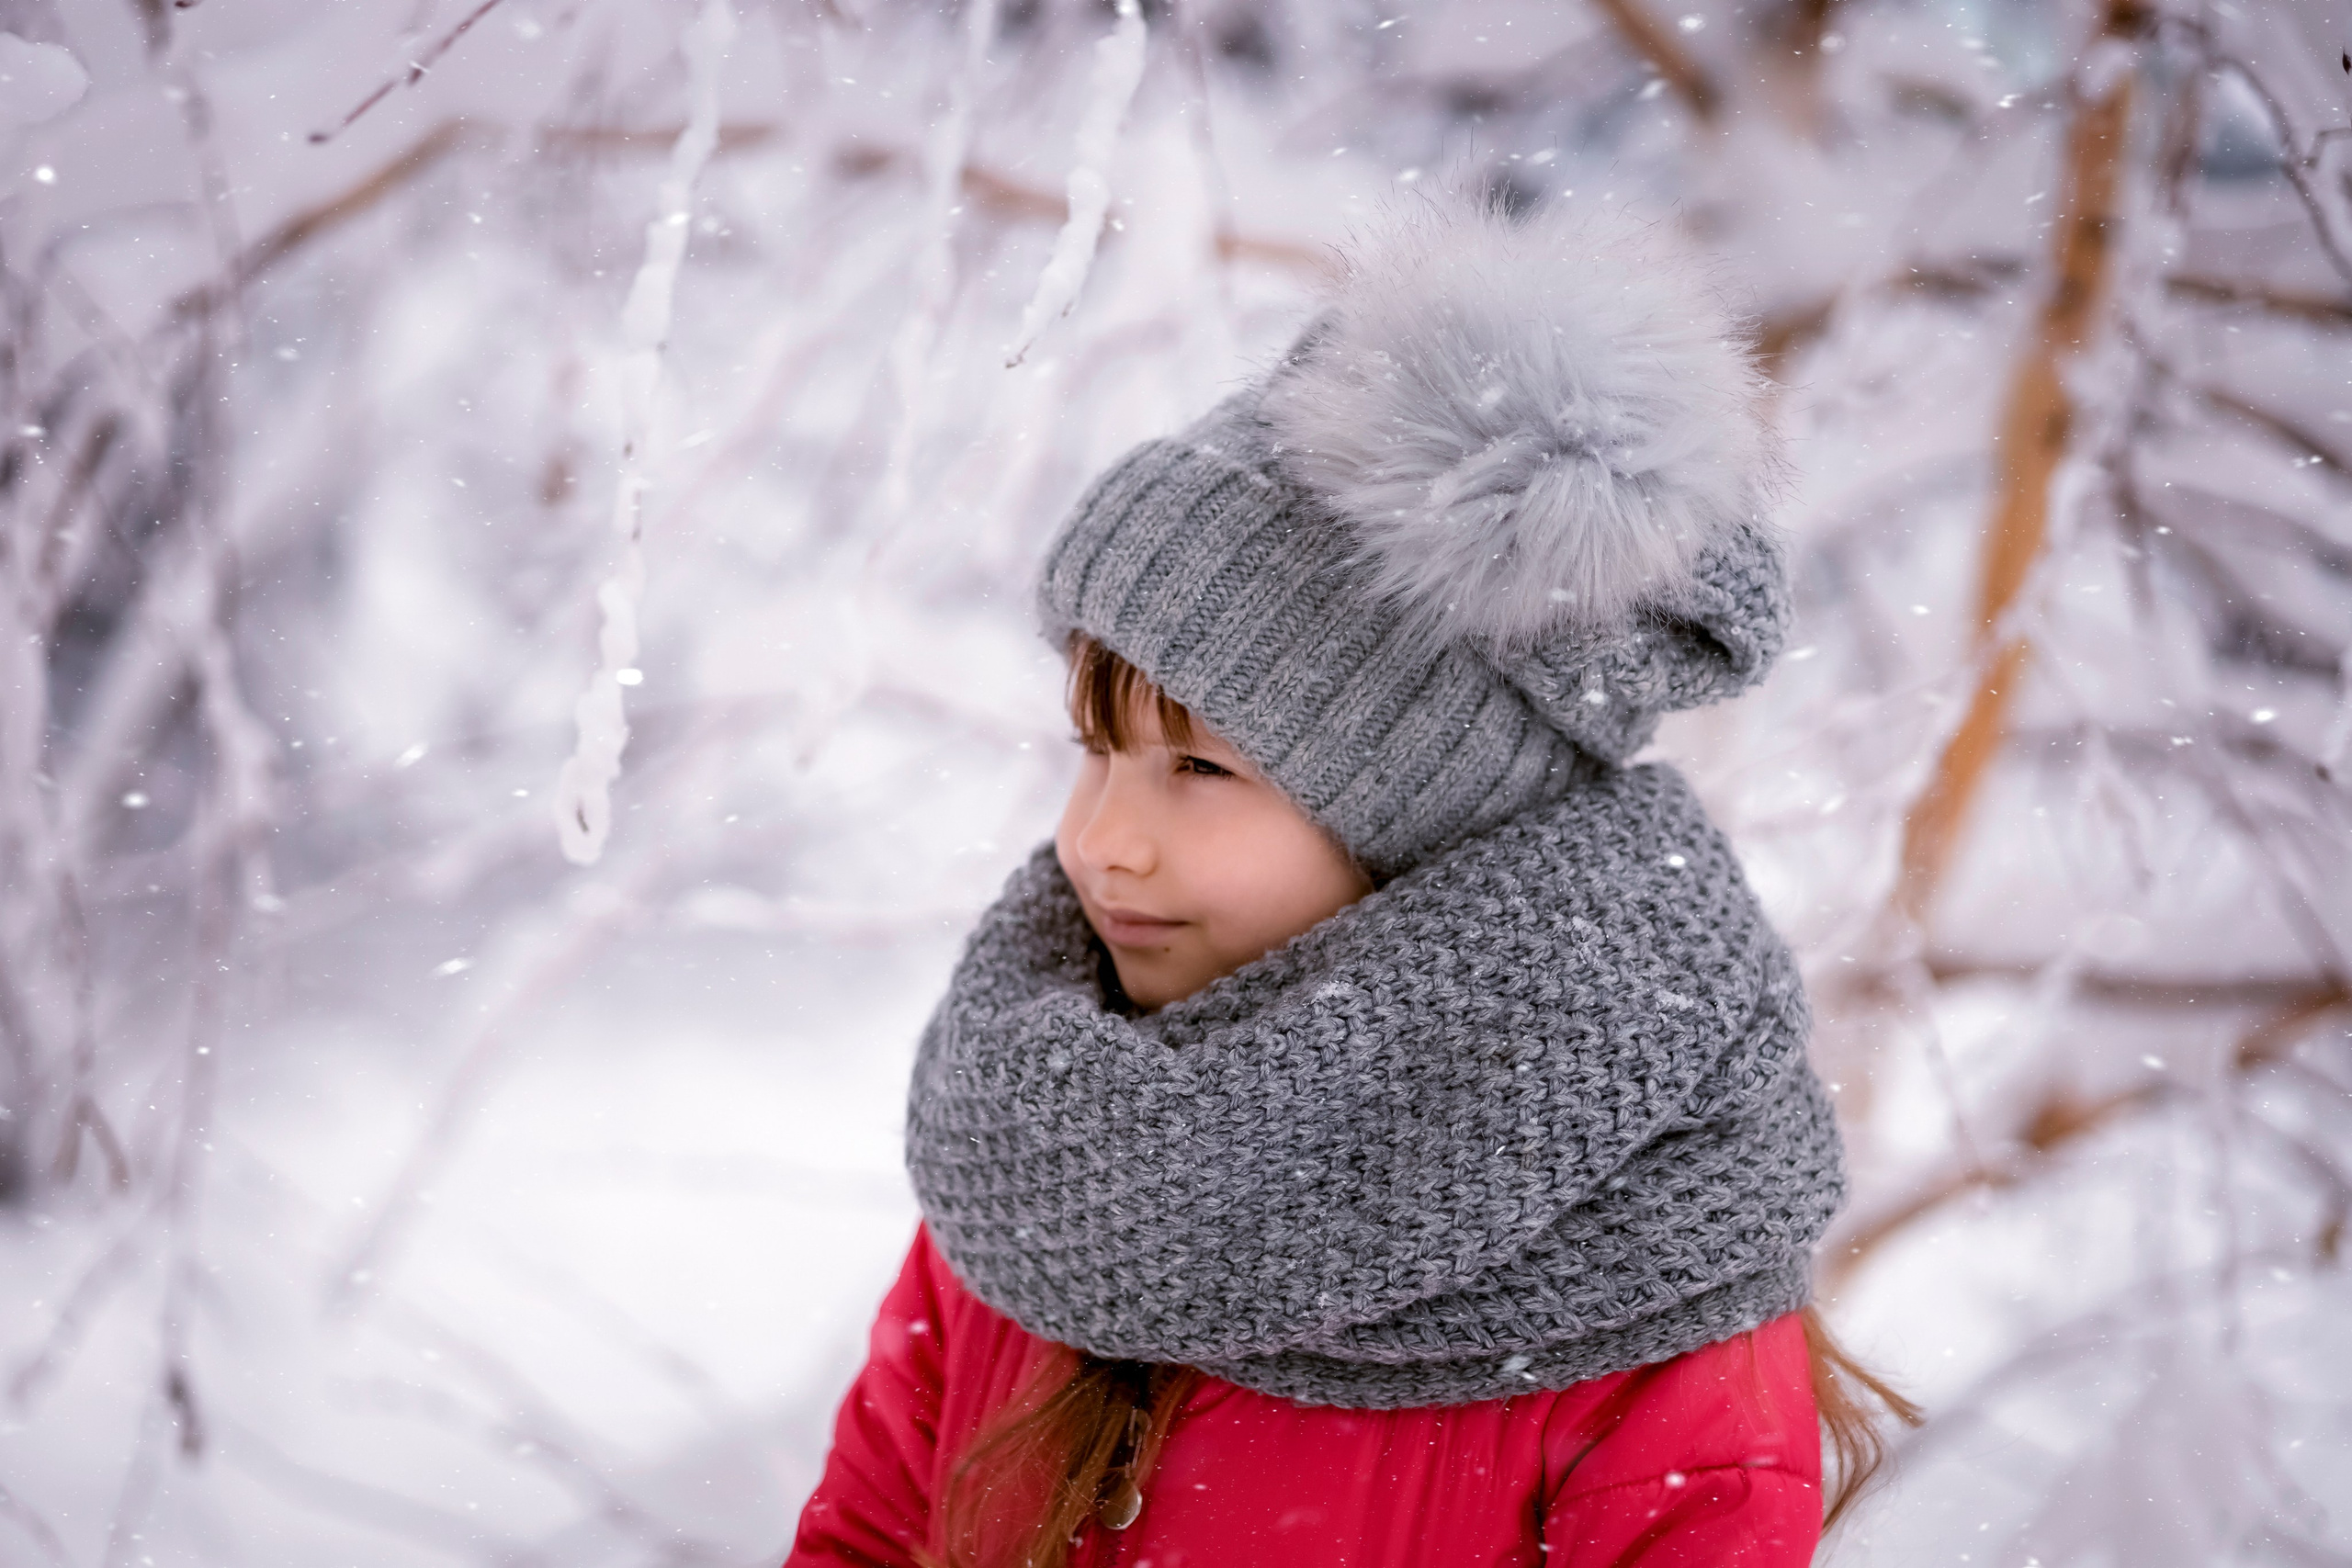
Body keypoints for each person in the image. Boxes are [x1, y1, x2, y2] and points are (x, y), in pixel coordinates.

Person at [785, 186, 1913, 1568]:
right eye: (1097, 749)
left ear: (1428, 825)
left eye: (1201, 772)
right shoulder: (1046, 1149)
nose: (1100, 841)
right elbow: (868, 1536)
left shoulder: (1642, 1298)